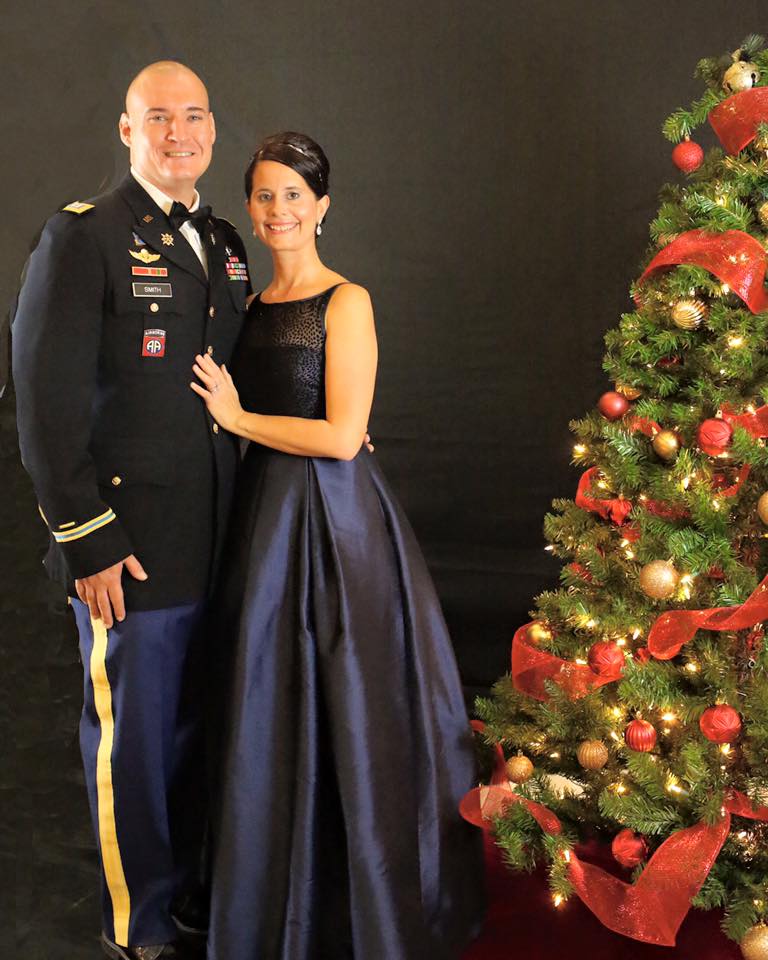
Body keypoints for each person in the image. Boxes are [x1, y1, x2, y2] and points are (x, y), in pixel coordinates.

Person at [191, 132, 485, 960]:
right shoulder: (247, 307)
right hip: (262, 519)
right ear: (249, 208)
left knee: (345, 702)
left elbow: (344, 437)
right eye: (264, 195)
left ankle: (352, 909)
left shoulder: (345, 301)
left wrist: (238, 418)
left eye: (294, 194)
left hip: (334, 520)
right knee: (267, 701)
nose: (278, 209)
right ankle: (270, 898)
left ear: (322, 206)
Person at [12, 61, 250, 959]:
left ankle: (185, 891)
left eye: (193, 116)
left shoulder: (223, 242)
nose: (177, 133)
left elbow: (236, 376)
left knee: (192, 734)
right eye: (158, 118)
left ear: (212, 130)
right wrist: (87, 539)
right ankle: (138, 921)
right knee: (134, 744)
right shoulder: (85, 236)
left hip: (213, 535)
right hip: (130, 545)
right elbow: (43, 404)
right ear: (127, 130)